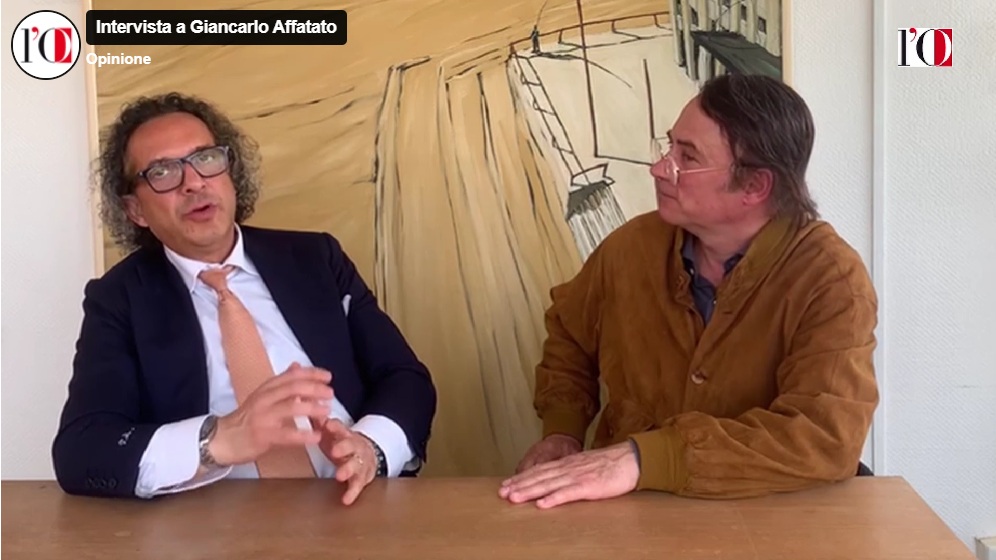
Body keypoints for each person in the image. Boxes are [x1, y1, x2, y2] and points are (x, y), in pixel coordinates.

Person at [499, 73, 879, 508]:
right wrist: (562, 431)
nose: (660, 168)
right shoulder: (631, 247)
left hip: (770, 518)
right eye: (668, 147)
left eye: (687, 157)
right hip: (634, 514)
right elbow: (570, 334)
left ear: (755, 186)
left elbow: (823, 437)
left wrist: (646, 459)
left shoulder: (830, 280)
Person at [52, 92, 437, 505]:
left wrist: (369, 448)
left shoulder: (316, 258)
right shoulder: (118, 299)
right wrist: (218, 440)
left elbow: (405, 378)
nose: (194, 182)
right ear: (135, 210)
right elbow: (82, 449)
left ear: (230, 173)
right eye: (162, 171)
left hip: (354, 502)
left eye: (206, 158)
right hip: (219, 522)